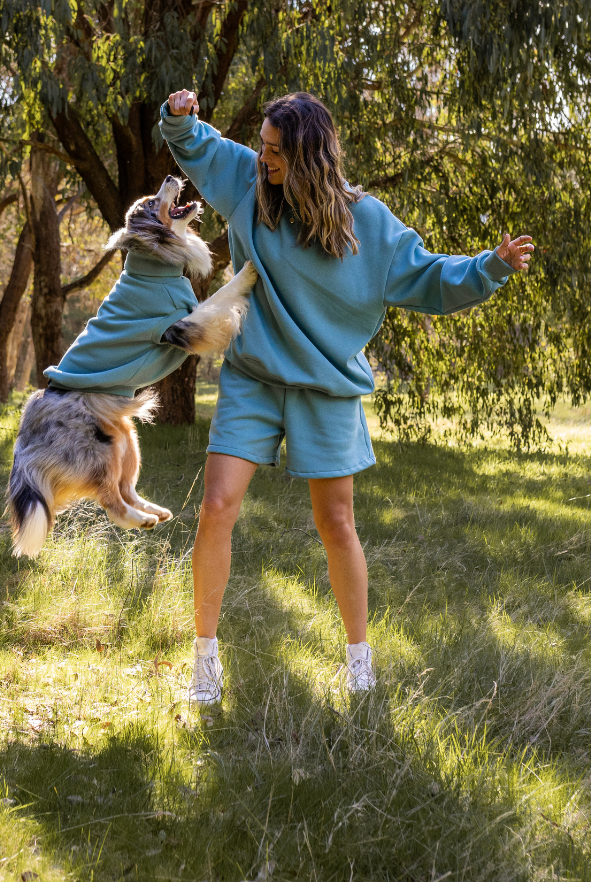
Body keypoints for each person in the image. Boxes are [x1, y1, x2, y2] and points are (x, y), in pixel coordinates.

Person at [160, 89, 533, 704]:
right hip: (253, 377)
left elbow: (431, 277)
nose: (262, 158)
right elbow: (197, 146)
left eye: (275, 150)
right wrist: (179, 118)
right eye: (261, 146)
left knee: (336, 523)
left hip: (327, 388)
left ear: (308, 155)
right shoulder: (249, 186)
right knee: (216, 506)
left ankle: (359, 665)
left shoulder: (371, 226)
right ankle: (204, 661)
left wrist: (489, 266)